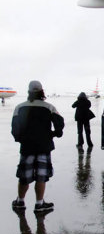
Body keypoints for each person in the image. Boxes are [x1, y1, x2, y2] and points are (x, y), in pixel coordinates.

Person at [11, 80, 64, 213]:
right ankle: (39, 204)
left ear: (29, 92)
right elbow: (59, 123)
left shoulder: (19, 107)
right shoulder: (49, 107)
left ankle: (20, 201)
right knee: (41, 176)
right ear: (42, 91)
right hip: (43, 147)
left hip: (27, 147)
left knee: (24, 176)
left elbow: (15, 128)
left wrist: (20, 138)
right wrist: (54, 134)